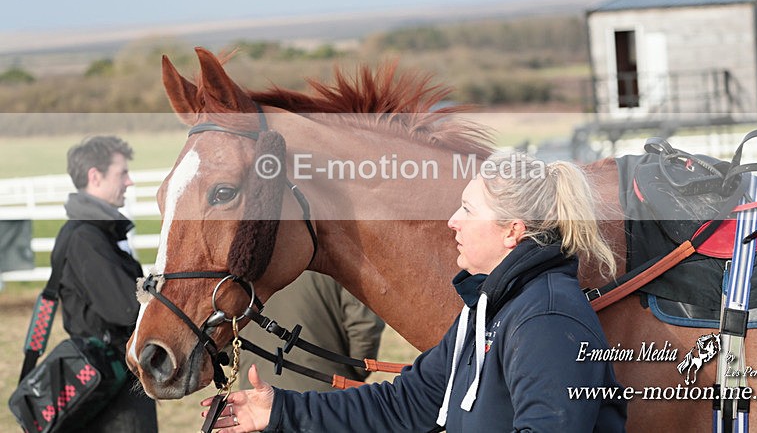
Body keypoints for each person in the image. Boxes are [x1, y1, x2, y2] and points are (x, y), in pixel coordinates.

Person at [202, 151, 627, 432]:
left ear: (512, 231)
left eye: (468, 209)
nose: (452, 221)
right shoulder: (488, 307)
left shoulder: (546, 320)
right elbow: (406, 403)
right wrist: (279, 411)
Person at [53, 136, 157, 432]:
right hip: (113, 387)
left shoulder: (92, 233)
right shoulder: (87, 238)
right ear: (95, 176)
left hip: (108, 379)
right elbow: (126, 308)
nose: (129, 181)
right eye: (122, 173)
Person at [238, 270, 385, 392]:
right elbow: (365, 326)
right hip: (327, 397)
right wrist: (357, 371)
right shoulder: (338, 254)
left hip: (256, 396)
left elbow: (226, 331)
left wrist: (246, 363)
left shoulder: (241, 258)